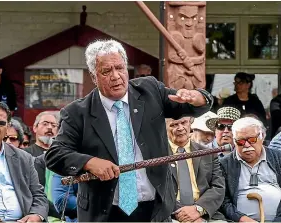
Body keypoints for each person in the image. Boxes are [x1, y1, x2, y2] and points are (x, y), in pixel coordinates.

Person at [45, 39, 213, 222]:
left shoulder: (150, 90)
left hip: (154, 209)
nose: (116, 76)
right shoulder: (77, 112)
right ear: (94, 77)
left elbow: (190, 106)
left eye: (120, 68)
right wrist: (90, 162)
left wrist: (199, 98)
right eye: (106, 71)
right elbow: (55, 155)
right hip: (105, 212)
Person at [220, 117, 281, 222]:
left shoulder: (278, 157)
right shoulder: (225, 164)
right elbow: (223, 200)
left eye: (252, 140)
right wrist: (240, 218)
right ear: (234, 141)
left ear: (262, 136)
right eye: (240, 142)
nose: (247, 145)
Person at [165, 117, 226, 222]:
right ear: (163, 127)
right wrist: (184, 214)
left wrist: (198, 210)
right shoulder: (156, 156)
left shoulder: (208, 153)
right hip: (170, 216)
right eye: (174, 125)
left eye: (184, 122)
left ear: (190, 124)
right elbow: (157, 192)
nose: (180, 128)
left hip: (205, 214)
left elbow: (218, 187)